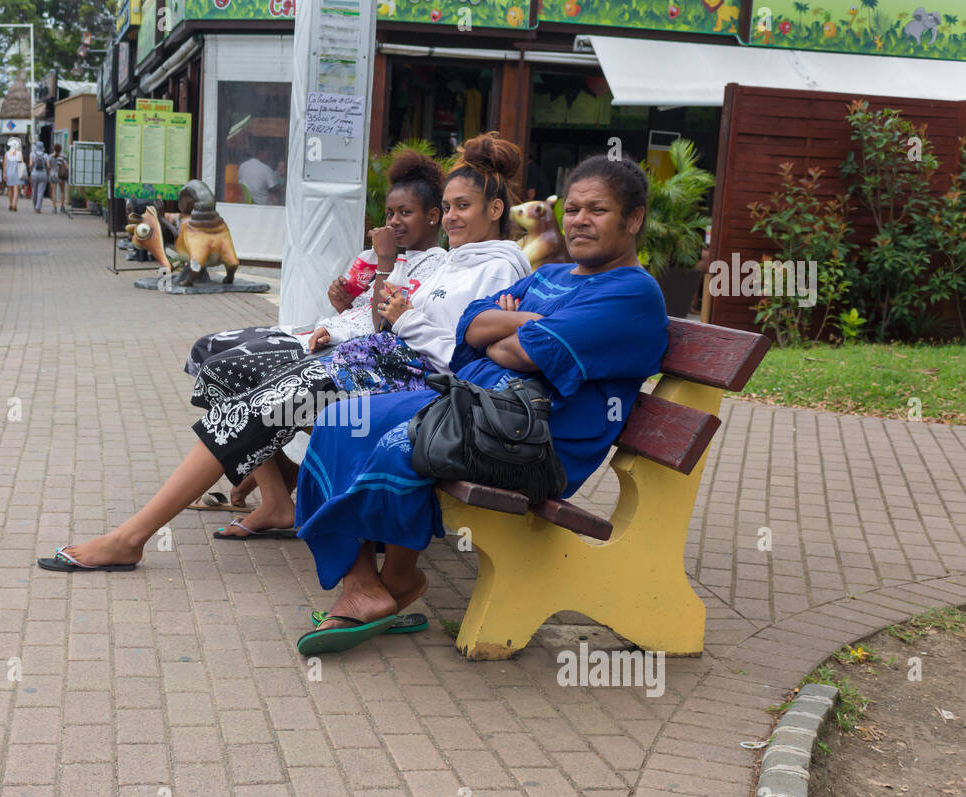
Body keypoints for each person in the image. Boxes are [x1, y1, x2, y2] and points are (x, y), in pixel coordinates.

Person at [37, 133, 530, 571]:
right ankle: (161, 527)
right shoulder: (453, 262)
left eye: (463, 206)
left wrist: (404, 318)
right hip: (375, 361)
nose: (452, 217)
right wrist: (380, 310)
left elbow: (461, 357)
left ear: (495, 209)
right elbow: (389, 316)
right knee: (244, 385)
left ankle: (132, 537)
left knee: (268, 399)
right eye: (448, 206)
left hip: (415, 384)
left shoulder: (499, 270)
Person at [290, 154, 671, 655]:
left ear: (634, 218)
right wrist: (521, 325)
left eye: (597, 210)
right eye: (573, 208)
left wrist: (510, 326)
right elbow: (471, 326)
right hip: (477, 406)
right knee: (342, 419)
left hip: (532, 440)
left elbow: (517, 350)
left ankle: (394, 580)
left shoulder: (632, 294)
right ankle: (367, 585)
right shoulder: (554, 274)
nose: (579, 220)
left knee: (392, 441)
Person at [185, 149, 448, 514]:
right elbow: (363, 312)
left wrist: (385, 260)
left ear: (433, 216)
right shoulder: (386, 255)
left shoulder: (438, 266)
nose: (394, 221)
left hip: (363, 359)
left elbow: (383, 326)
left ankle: (276, 495)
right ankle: (277, 481)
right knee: (209, 348)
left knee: (229, 368)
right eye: (390, 213)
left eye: (406, 213)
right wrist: (344, 302)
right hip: (334, 334)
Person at [49, 142, 71, 217]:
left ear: (54, 149)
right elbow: (67, 167)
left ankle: (54, 208)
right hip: (60, 175)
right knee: (62, 191)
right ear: (61, 149)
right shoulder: (63, 157)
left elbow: (48, 166)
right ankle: (62, 207)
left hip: (52, 175)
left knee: (53, 192)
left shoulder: (50, 156)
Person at [29, 141, 49, 213]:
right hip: (43, 175)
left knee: (34, 191)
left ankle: (35, 205)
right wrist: (47, 173)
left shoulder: (32, 154)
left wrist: (31, 171)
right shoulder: (45, 155)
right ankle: (38, 207)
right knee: (40, 192)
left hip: (34, 174)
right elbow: (48, 166)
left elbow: (30, 165)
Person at [5, 139, 23, 211]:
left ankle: (10, 203)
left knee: (9, 189)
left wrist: (4, 174)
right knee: (16, 189)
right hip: (16, 173)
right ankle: (15, 204)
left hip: (9, 173)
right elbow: (21, 163)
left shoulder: (6, 154)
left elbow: (5, 165)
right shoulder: (19, 153)